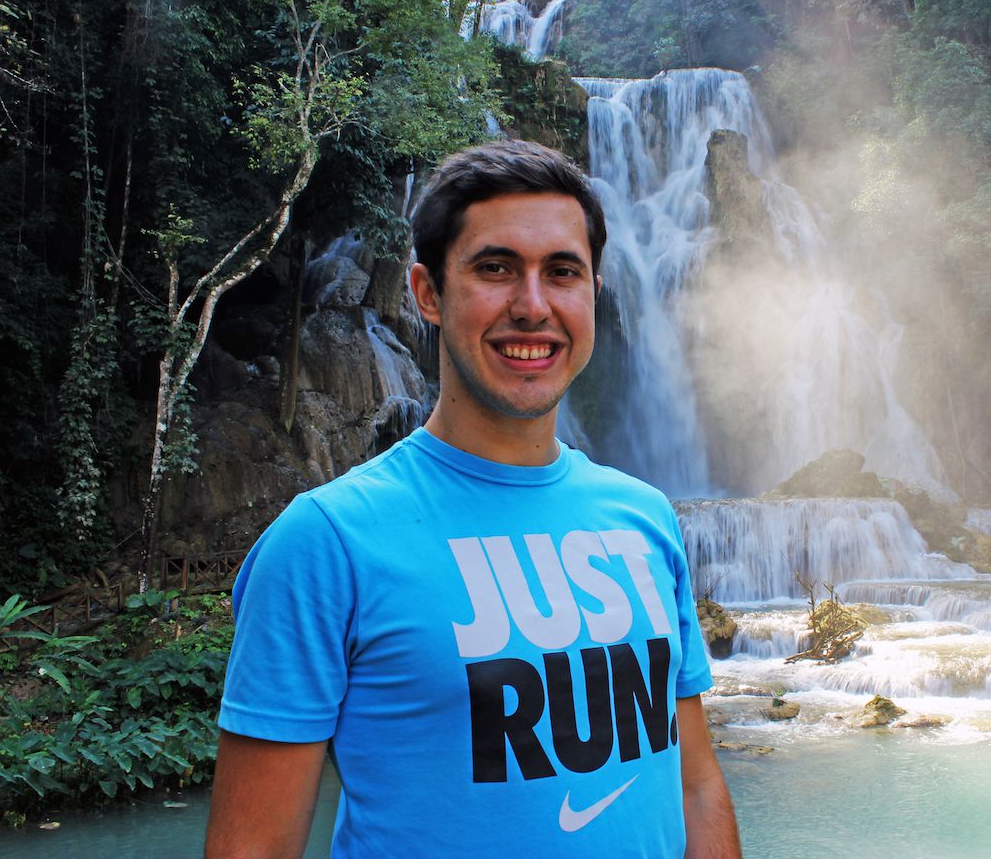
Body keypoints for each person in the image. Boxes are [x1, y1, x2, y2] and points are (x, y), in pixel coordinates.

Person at [204, 139, 741, 858]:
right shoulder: (324, 543)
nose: (532, 305)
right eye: (495, 268)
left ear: (594, 290)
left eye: (562, 272)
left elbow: (694, 786)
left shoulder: (645, 518)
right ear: (427, 292)